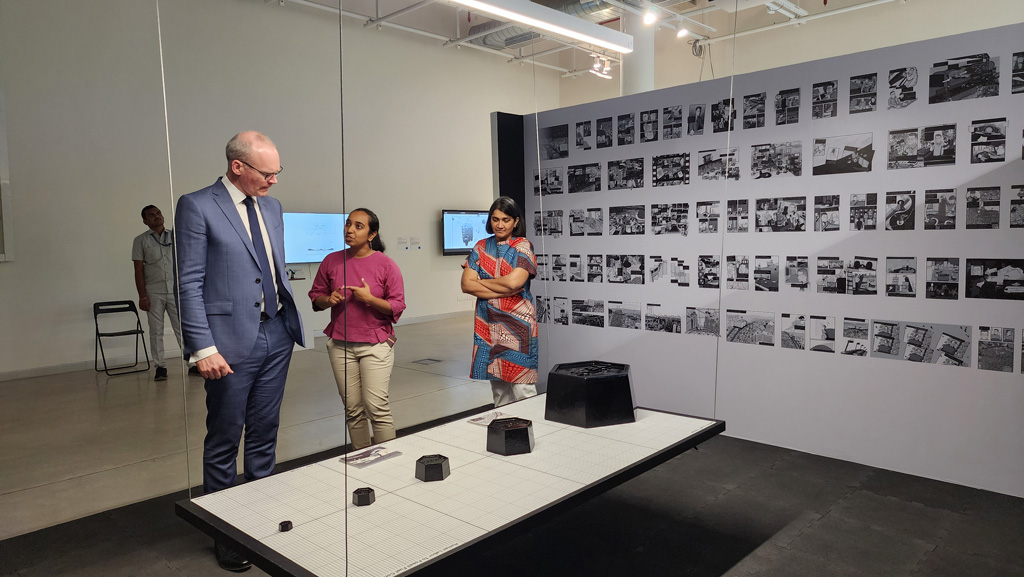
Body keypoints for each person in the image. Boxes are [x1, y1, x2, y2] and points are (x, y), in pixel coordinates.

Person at [175, 131, 304, 572]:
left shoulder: (272, 206)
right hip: (227, 344)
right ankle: (227, 533)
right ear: (238, 167)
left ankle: (260, 521)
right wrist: (201, 347)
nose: (273, 181)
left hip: (276, 333)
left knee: (266, 432)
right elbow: (188, 283)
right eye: (267, 173)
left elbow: (269, 267)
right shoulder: (197, 205)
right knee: (226, 437)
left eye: (276, 172)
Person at [309, 208, 405, 450]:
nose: (350, 230)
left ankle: (389, 460)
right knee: (353, 410)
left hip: (375, 346)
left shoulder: (386, 264)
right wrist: (327, 300)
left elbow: (397, 306)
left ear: (372, 234)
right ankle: (362, 457)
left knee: (377, 407)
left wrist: (369, 299)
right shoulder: (331, 260)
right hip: (340, 345)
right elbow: (316, 298)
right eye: (348, 224)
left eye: (358, 226)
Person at [461, 196, 539, 407]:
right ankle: (506, 436)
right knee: (499, 389)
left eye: (505, 219)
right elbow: (467, 285)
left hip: (518, 326)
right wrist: (503, 287)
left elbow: (515, 283)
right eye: (495, 219)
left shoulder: (523, 246)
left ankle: (533, 432)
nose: (500, 224)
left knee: (524, 388)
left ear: (515, 221)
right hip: (488, 324)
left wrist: (483, 282)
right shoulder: (480, 246)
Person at [132, 205, 184, 381]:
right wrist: (142, 296)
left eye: (158, 213)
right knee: (156, 331)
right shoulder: (140, 241)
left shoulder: (176, 237)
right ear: (145, 221)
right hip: (154, 292)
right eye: (151, 215)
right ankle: (160, 366)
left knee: (183, 328)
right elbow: (138, 270)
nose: (156, 217)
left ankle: (192, 363)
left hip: (176, 290)